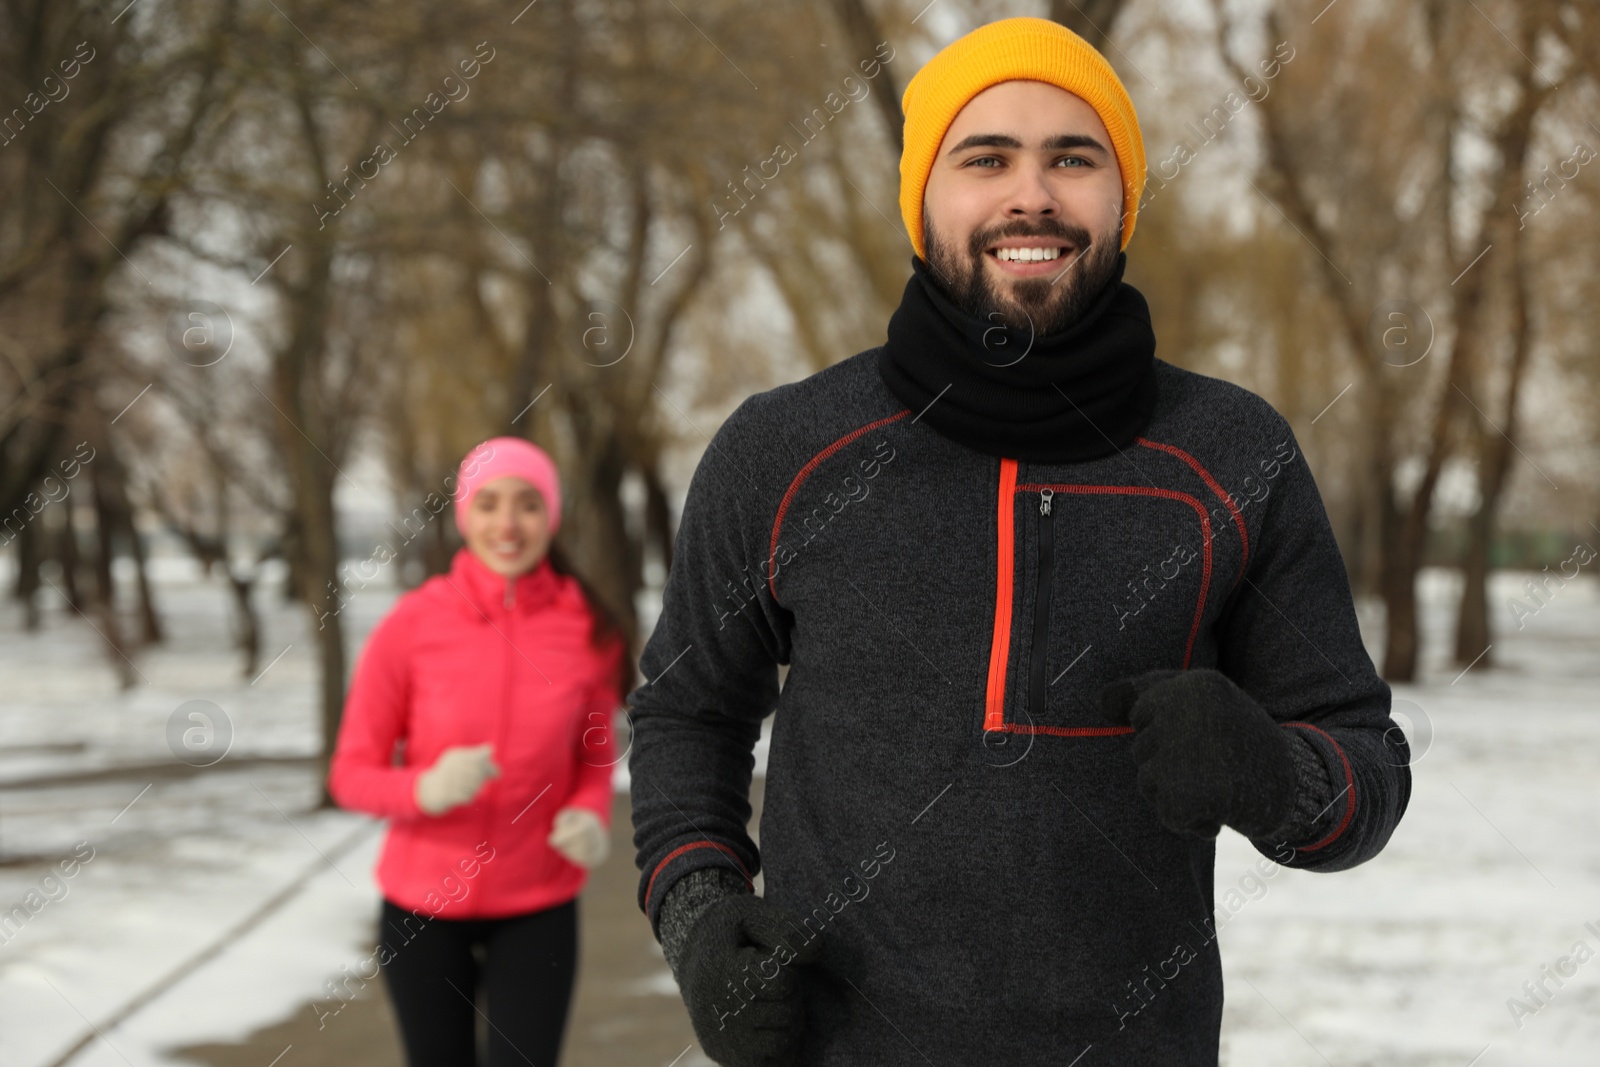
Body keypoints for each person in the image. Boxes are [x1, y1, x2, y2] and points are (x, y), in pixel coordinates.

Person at [627, 17, 1411, 1067]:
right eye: (985, 157)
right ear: (922, 200)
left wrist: (1273, 772)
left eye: (1072, 158)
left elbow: (1367, 762)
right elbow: (687, 711)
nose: (1030, 194)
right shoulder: (782, 451)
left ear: (1121, 195)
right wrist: (698, 918)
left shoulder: (1234, 455)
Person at [328, 436, 631, 1067]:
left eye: (527, 504)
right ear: (464, 515)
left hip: (538, 901)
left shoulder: (589, 629)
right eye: (489, 503)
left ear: (552, 515)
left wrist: (589, 812)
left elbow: (594, 754)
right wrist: (423, 789)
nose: (508, 524)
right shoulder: (411, 625)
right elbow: (350, 774)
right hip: (422, 908)